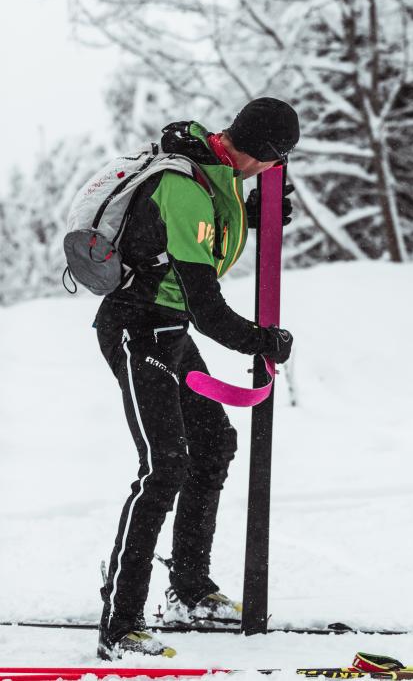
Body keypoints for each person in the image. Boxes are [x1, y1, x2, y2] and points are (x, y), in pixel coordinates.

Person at [95, 97, 299, 660]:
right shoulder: (186, 185)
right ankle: (121, 626)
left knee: (213, 445)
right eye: (276, 162)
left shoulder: (219, 170)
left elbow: (200, 239)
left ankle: (190, 591)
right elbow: (209, 309)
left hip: (169, 328)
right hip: (137, 327)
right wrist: (264, 341)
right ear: (261, 152)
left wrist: (258, 216)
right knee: (164, 467)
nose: (272, 173)